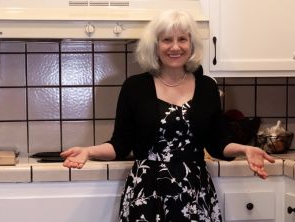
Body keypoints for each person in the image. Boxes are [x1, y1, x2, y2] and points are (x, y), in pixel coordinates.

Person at [61, 9, 275, 222]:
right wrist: (88, 151)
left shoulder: (206, 87)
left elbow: (217, 143)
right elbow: (120, 144)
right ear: (155, 45)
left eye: (182, 39)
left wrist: (245, 149)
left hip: (194, 193)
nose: (175, 47)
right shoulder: (135, 87)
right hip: (146, 193)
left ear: (191, 44)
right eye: (167, 40)